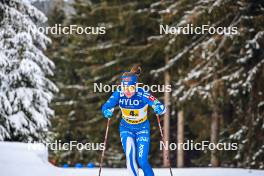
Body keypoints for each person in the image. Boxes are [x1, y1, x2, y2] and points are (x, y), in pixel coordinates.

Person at [101, 65, 166, 176]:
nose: (127, 92)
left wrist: (159, 108)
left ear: (136, 86)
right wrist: (106, 111)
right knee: (130, 158)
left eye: (130, 88)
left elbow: (160, 106)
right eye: (124, 88)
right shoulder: (119, 93)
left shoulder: (142, 94)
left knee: (142, 161)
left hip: (142, 129)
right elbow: (106, 106)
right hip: (126, 128)